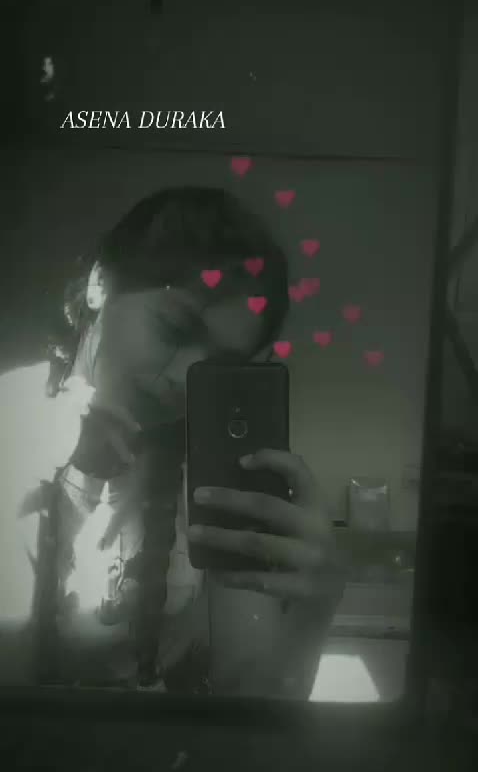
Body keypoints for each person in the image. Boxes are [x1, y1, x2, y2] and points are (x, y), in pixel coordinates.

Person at [42, 186, 347, 697]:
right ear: (100, 284)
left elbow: (250, 701)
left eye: (219, 364)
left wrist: (314, 613)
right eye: (174, 327)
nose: (185, 379)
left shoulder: (211, 481)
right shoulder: (12, 421)